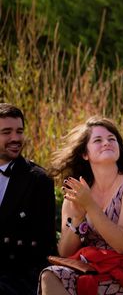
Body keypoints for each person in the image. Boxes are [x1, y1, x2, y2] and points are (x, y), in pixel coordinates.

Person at [39, 116, 123, 295]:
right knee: (50, 276)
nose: (106, 143)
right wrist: (77, 218)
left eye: (112, 139)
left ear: (119, 148)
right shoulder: (78, 192)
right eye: (98, 140)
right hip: (89, 271)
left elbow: (122, 244)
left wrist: (90, 205)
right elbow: (65, 252)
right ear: (85, 154)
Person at [0, 103, 57, 295]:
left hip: (19, 279)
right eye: (6, 132)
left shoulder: (39, 180)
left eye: (19, 131)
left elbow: (44, 245)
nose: (15, 138)